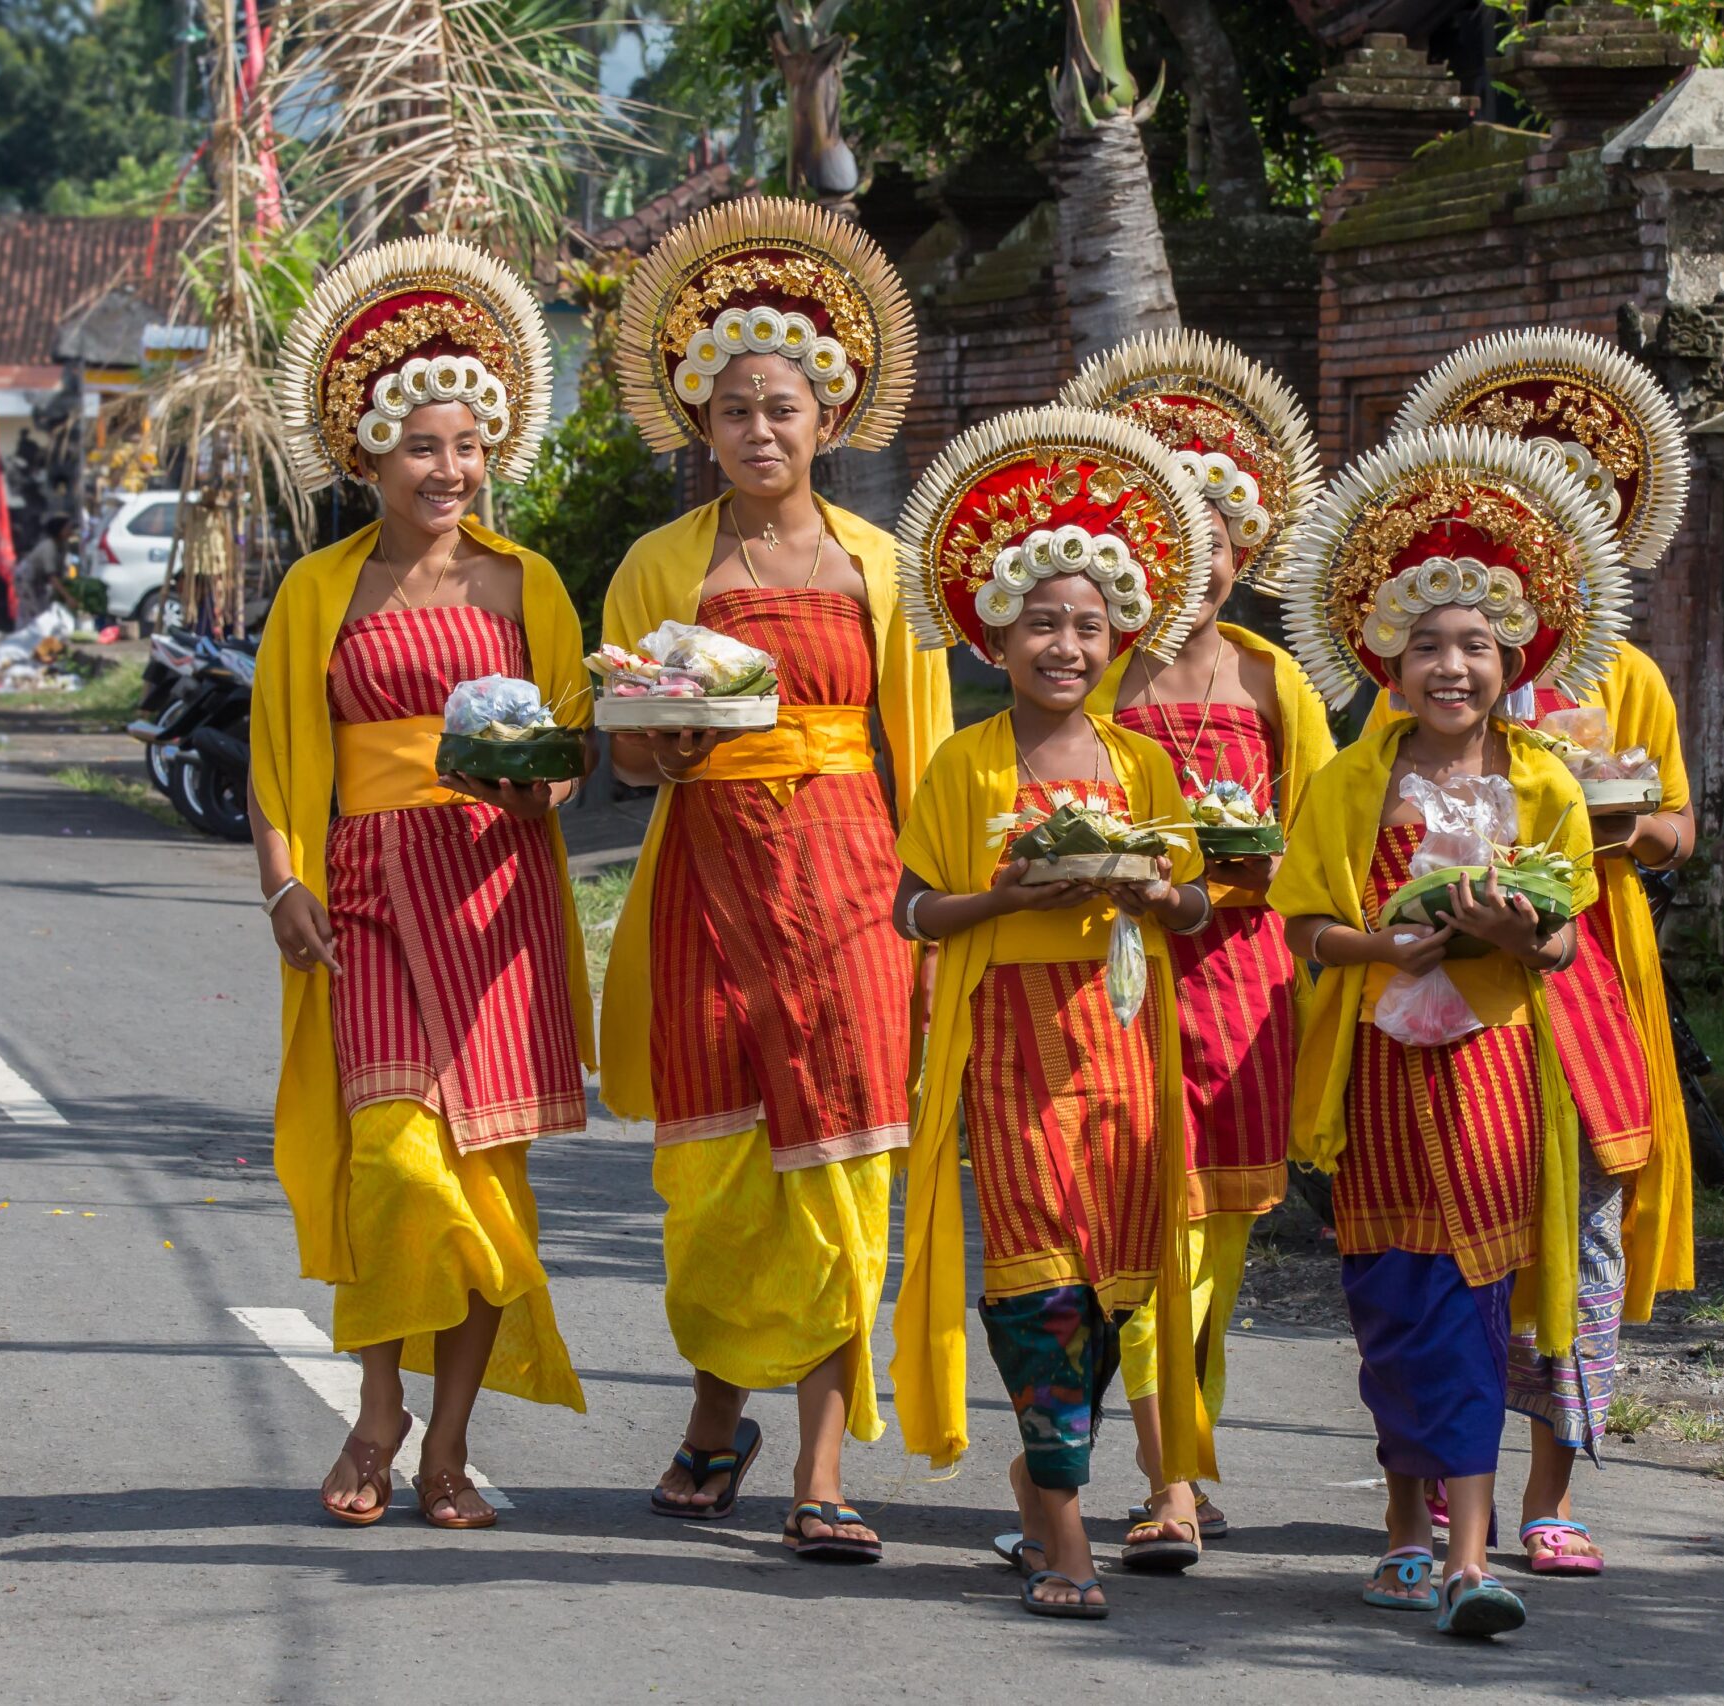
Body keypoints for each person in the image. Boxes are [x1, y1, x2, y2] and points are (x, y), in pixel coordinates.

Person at [596, 197, 950, 1561]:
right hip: (708, 879)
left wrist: (932, 923)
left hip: (857, 877)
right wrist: (669, 736)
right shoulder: (656, 566)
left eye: (784, 407)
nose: (760, 430)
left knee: (849, 1169)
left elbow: (920, 761)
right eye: (735, 408)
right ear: (701, 423)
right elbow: (625, 751)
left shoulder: (885, 571)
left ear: (832, 416)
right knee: (720, 1173)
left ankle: (819, 1463)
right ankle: (710, 1412)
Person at [248, 235, 596, 1531]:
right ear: (366, 459)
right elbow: (279, 760)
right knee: (394, 1163)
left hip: (494, 899)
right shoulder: (318, 592)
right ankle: (379, 1405)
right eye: (420, 449)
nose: (448, 471)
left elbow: (564, 748)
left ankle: (446, 1444)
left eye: (466, 446)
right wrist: (283, 885)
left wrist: (535, 795)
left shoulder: (530, 582)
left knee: (489, 1181)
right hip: (369, 899)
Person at [1272, 422, 1627, 1638]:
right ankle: (1400, 1529)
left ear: (1512, 655)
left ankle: (1469, 1556)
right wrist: (1388, 943)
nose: (1453, 667)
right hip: (1374, 1071)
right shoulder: (1345, 782)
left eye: (1476, 643)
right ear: (1385, 656)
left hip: (1493, 1078)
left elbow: (1568, 939)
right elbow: (1303, 928)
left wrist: (1512, 929)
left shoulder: (1544, 786)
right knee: (1392, 1299)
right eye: (1426, 645)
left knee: (1476, 1295)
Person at [887, 405, 1217, 1618]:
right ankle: (1069, 1534)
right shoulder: (965, 764)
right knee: (1039, 1284)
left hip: (1125, 1038)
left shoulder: (1142, 766)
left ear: (1119, 634)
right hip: (1010, 1046)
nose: (1064, 644)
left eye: (1086, 624)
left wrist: (1142, 878)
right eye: (1041, 623)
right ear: (996, 635)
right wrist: (1004, 890)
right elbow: (913, 913)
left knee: (1120, 1286)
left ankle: (1042, 1487)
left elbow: (1188, 906)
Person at [1389, 330, 1702, 1573]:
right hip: (1446, 989)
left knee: (1577, 1227)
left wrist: (1607, 820)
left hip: (1590, 968)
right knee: (1442, 1219)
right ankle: (1416, 1499)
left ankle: (1550, 1493)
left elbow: (1675, 823)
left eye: (1570, 502)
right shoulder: (1425, 673)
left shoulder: (1623, 673)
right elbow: (1373, 820)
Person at [1059, 329, 1335, 1551]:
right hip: (1107, 977)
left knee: (1211, 1238)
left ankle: (1178, 1465)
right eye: (1177, 533)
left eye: (1222, 535)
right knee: (1129, 1222)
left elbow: (1322, 844)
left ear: (1251, 545)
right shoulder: (1094, 680)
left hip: (1239, 983)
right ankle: (1164, 1468)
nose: (1203, 559)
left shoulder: (1280, 685)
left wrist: (1262, 866)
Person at [15, 514, 76, 625]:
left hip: (39, 581)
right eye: (68, 528)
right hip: (26, 578)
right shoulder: (49, 547)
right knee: (32, 609)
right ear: (59, 530)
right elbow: (52, 577)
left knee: (43, 608)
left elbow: (60, 573)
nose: (71, 531)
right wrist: (68, 597)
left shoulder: (63, 546)